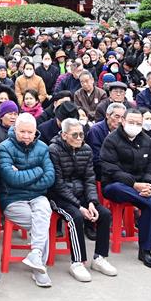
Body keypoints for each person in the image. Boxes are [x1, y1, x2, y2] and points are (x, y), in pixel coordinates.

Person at [99, 107, 151, 269]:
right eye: (131, 122)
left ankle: (146, 250)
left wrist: (148, 184)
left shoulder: (146, 140)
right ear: (123, 121)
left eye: (138, 123)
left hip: (142, 188)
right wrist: (134, 184)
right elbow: (109, 168)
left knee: (149, 205)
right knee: (125, 190)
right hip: (116, 186)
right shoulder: (112, 140)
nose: (134, 125)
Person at [47, 118, 118, 279]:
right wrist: (80, 207)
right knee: (76, 217)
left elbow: (89, 178)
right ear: (64, 135)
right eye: (75, 135)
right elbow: (57, 184)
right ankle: (77, 262)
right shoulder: (53, 150)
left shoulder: (86, 149)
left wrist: (92, 202)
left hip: (82, 196)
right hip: (59, 197)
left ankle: (100, 258)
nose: (79, 138)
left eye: (82, 134)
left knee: (104, 214)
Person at [0, 113, 56, 287]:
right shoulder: (5, 147)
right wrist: (38, 171)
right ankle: (40, 268)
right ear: (15, 130)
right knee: (42, 223)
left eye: (30, 132)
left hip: (38, 197)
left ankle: (36, 258)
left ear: (35, 131)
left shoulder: (43, 147)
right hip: (13, 199)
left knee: (44, 211)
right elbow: (11, 179)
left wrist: (22, 178)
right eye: (22, 131)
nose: (26, 136)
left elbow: (50, 178)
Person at [87, 102, 125, 177]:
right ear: (107, 115)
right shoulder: (96, 130)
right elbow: (96, 159)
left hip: (122, 170)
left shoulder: (125, 130)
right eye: (117, 116)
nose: (120, 121)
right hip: (103, 172)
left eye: (122, 117)